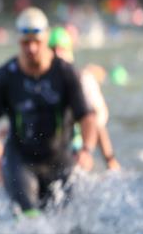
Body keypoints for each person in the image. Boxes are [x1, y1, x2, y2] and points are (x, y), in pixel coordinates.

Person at [0, 8, 97, 216]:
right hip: (21, 161)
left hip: (60, 159)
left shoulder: (65, 73)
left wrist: (86, 150)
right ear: (18, 41)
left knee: (60, 223)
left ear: (46, 39)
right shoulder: (5, 76)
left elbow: (87, 116)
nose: (31, 48)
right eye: (25, 43)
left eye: (37, 42)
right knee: (29, 220)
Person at [48, 26, 121, 171]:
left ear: (69, 51)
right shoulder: (43, 81)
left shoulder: (82, 80)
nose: (57, 54)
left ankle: (110, 163)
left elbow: (97, 120)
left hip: (79, 143)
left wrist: (105, 157)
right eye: (53, 50)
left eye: (61, 50)